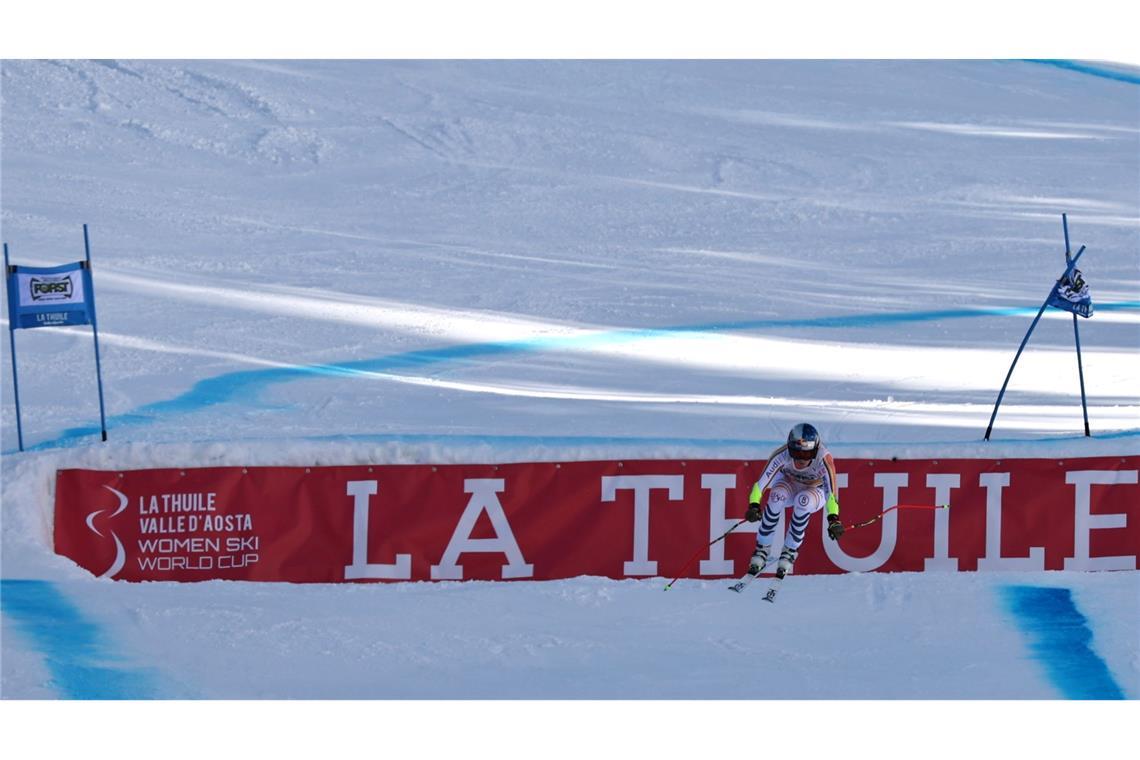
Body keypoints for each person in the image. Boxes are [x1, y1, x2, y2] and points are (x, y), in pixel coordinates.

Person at [744, 423, 844, 577]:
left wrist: (833, 519)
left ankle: (790, 550)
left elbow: (831, 493)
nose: (800, 459)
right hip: (789, 484)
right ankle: (762, 548)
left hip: (814, 490)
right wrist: (754, 504)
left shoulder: (824, 459)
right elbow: (760, 484)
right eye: (796, 453)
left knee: (803, 501)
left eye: (806, 455)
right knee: (776, 496)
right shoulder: (782, 454)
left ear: (816, 450)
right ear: (789, 448)